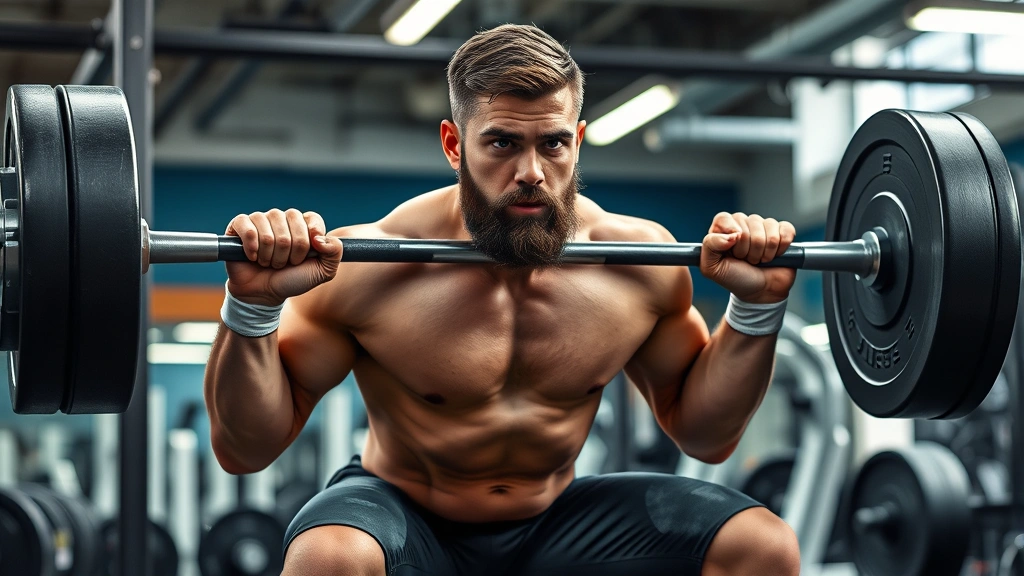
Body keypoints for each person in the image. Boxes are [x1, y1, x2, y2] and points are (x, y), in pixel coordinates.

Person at [204, 23, 800, 576]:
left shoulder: (637, 264)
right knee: (328, 558)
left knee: (762, 546)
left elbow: (704, 435)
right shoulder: (369, 267)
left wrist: (755, 311)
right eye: (502, 144)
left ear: (579, 141)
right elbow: (244, 448)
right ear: (454, 144)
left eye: (554, 144)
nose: (532, 172)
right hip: (407, 514)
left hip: (559, 521)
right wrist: (252, 308)